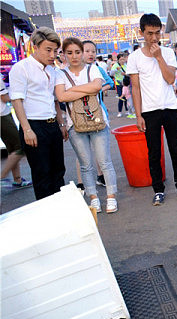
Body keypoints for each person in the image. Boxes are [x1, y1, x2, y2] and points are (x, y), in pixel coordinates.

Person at [128, 13, 177, 205]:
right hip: (149, 111)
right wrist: (138, 115)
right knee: (154, 151)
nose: (154, 38)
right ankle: (158, 190)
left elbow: (171, 79)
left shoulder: (168, 53)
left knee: (175, 149)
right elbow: (135, 89)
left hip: (170, 107)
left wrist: (158, 57)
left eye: (157, 33)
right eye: (149, 33)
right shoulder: (134, 57)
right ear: (141, 33)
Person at [55, 37, 118, 213]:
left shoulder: (93, 69)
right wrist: (86, 88)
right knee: (86, 164)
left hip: (98, 121)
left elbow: (97, 87)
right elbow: (61, 97)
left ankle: (111, 197)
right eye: (69, 53)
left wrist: (72, 90)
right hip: (74, 124)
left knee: (104, 161)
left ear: (82, 52)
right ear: (63, 54)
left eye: (77, 52)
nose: (74, 56)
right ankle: (93, 197)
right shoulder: (60, 74)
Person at [9, 27, 68, 200]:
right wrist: (27, 129)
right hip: (34, 125)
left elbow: (55, 100)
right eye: (48, 50)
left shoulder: (52, 70)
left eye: (55, 51)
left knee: (58, 170)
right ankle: (47, 213)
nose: (52, 55)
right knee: (42, 173)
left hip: (53, 125)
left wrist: (61, 123)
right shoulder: (21, 68)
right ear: (35, 46)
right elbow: (16, 100)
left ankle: (60, 207)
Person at [82, 40, 115, 187]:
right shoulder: (72, 71)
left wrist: (98, 89)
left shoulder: (96, 69)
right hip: (80, 116)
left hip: (98, 113)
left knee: (101, 151)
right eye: (86, 51)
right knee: (83, 153)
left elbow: (110, 83)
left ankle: (104, 180)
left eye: (93, 51)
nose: (91, 54)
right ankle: (81, 183)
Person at [0, 79, 32, 188]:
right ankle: (2, 176)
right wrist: (17, 96)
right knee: (20, 146)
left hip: (3, 115)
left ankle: (17, 179)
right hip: (2, 115)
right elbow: (4, 98)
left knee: (12, 149)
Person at [111, 53, 128, 117]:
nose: (122, 61)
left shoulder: (126, 65)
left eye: (123, 59)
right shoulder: (115, 65)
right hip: (119, 84)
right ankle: (119, 112)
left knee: (127, 98)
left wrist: (125, 74)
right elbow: (111, 73)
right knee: (121, 97)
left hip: (126, 84)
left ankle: (127, 110)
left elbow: (130, 74)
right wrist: (116, 69)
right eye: (121, 59)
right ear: (118, 60)